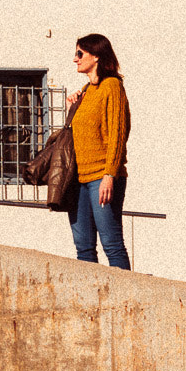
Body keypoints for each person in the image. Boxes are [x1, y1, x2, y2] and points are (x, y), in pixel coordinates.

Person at [67, 33, 131, 269]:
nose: (75, 59)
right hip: (78, 178)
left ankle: (125, 298)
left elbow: (118, 133)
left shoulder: (112, 86)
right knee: (83, 247)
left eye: (79, 53)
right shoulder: (86, 90)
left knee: (112, 244)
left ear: (96, 56)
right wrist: (73, 106)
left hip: (102, 178)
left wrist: (109, 175)